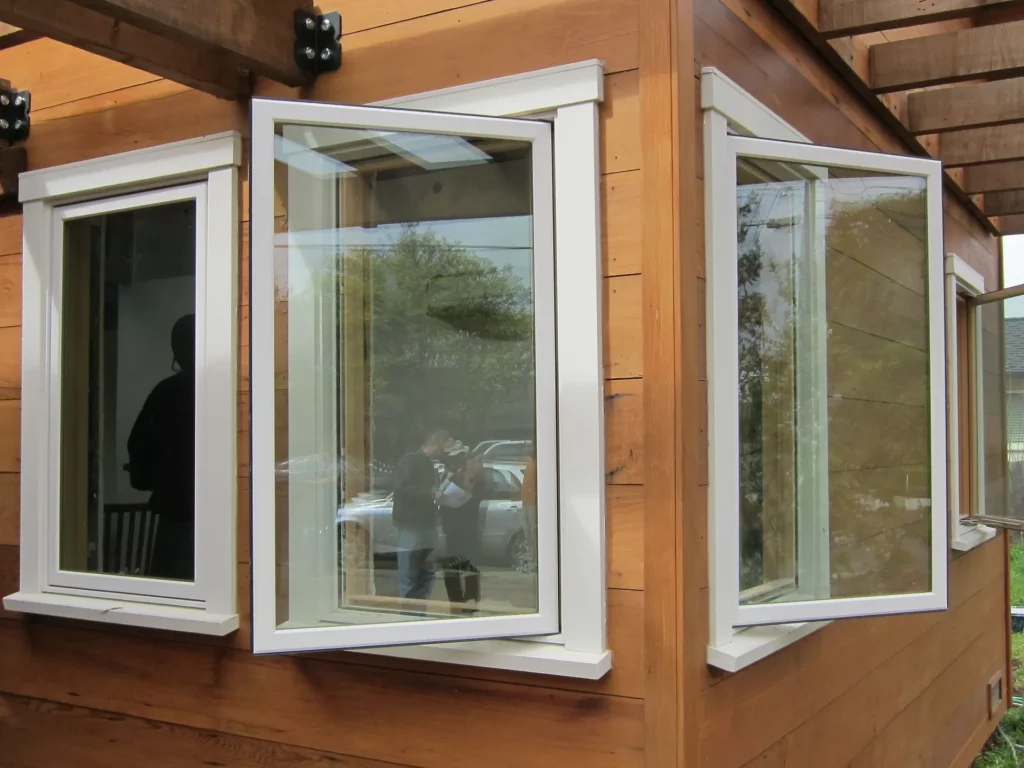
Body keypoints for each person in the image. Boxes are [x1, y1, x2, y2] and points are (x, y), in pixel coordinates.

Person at [126, 314, 196, 581]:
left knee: (171, 596)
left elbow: (138, 447)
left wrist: (149, 475)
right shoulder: (228, 389)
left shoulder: (165, 392)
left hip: (175, 519)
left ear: (177, 351)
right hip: (217, 517)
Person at [392, 429, 450, 601]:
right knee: (410, 572)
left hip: (426, 522)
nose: (443, 454)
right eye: (442, 449)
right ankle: (410, 614)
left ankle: (419, 608)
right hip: (411, 523)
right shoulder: (411, 460)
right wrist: (429, 492)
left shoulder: (428, 464)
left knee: (426, 572)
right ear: (434, 445)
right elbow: (400, 487)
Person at [439, 457, 484, 612]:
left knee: (470, 566)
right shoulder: (453, 479)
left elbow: (474, 501)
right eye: (471, 466)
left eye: (477, 466)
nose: (474, 470)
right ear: (464, 467)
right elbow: (441, 497)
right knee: (451, 567)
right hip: (452, 530)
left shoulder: (480, 484)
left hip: (469, 530)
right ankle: (455, 602)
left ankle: (470, 601)